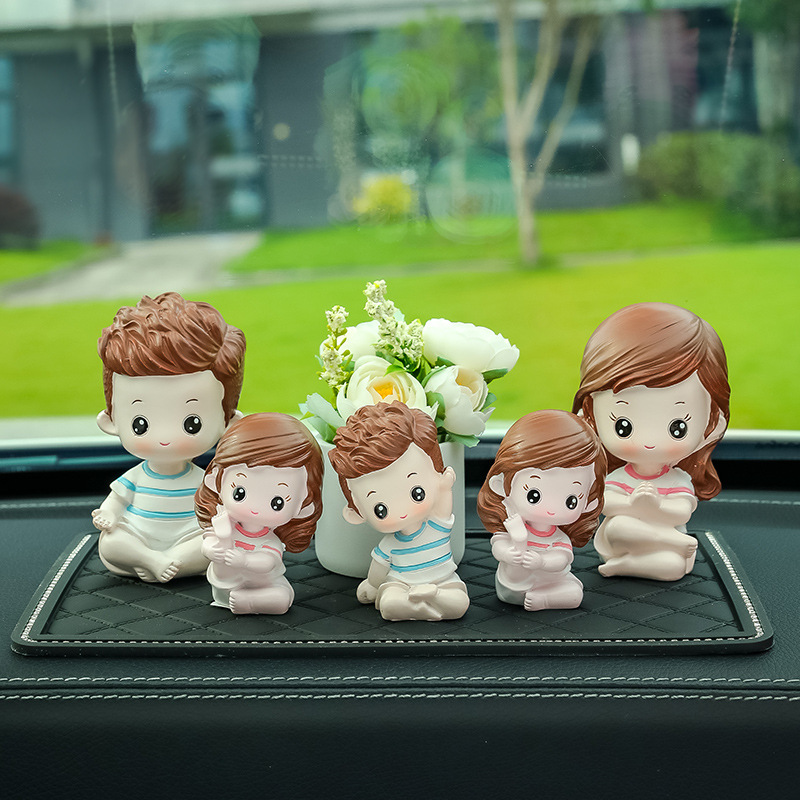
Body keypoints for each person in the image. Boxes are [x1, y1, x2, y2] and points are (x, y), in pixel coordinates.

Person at [92, 292, 246, 582]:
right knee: (111, 543)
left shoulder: (204, 480)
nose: (165, 438)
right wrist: (108, 515)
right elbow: (115, 503)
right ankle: (152, 559)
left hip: (186, 535)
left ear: (228, 423)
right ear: (111, 421)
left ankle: (167, 561)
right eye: (141, 424)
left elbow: (218, 512)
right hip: (138, 533)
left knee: (210, 545)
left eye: (191, 424)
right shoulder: (135, 478)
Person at [572, 302, 730, 581]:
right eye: (624, 426)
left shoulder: (677, 480)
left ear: (712, 422)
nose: (649, 442)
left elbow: (681, 511)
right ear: (590, 415)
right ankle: (666, 545)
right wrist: (636, 505)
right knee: (619, 526)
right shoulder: (620, 477)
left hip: (665, 550)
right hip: (624, 540)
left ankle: (627, 565)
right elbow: (605, 504)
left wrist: (656, 506)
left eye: (677, 427)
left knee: (672, 567)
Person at [328, 401, 469, 622]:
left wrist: (444, 487)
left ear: (438, 477)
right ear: (356, 513)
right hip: (401, 584)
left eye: (417, 493)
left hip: (443, 581)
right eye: (381, 509)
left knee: (459, 602)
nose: (402, 511)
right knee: (389, 603)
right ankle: (421, 607)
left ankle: (432, 598)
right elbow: (378, 572)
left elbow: (443, 503)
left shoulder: (436, 527)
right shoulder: (390, 545)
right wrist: (373, 585)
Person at [195, 413, 323, 614]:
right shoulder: (223, 524)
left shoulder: (270, 541)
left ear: (303, 505)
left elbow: (268, 562)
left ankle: (251, 601)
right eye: (240, 493)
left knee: (282, 597)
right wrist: (211, 549)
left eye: (277, 502)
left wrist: (245, 561)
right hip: (224, 584)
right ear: (217, 481)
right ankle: (242, 599)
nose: (255, 507)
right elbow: (208, 542)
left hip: (264, 585)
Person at [477, 410, 605, 610]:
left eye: (571, 500)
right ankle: (523, 552)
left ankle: (544, 599)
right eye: (534, 495)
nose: (552, 509)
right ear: (502, 485)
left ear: (589, 502)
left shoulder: (559, 538)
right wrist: (508, 553)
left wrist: (542, 562)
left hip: (552, 583)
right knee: (516, 561)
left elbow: (561, 560)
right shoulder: (510, 527)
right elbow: (498, 547)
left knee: (574, 594)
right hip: (512, 584)